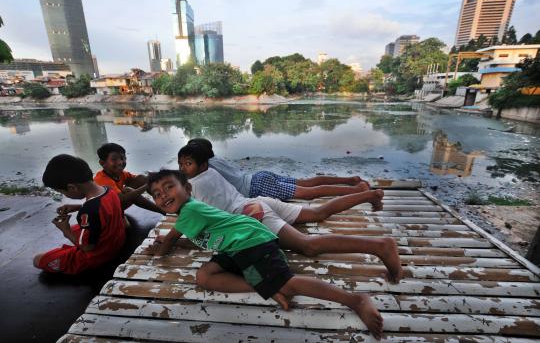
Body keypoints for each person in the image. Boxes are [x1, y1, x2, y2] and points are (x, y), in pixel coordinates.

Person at [144, 169, 384, 339]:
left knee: (290, 284)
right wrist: (172, 243)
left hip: (251, 242)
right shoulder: (188, 215)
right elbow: (195, 240)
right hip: (235, 247)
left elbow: (169, 243)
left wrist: (159, 249)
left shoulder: (188, 212)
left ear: (186, 188)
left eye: (168, 187)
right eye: (156, 194)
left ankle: (355, 300)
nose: (163, 195)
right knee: (205, 275)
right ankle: (267, 286)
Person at [177, 143, 402, 283]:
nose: (182, 169)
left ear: (202, 163)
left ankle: (380, 246)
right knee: (318, 213)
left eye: (186, 164)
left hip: (253, 216)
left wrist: (170, 241)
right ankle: (368, 195)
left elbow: (184, 222)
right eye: (180, 165)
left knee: (308, 245)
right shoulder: (210, 173)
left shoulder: (194, 187)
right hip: (256, 202)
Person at [188, 138, 371, 200]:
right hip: (258, 177)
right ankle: (350, 180)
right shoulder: (216, 159)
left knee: (309, 193)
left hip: (256, 188)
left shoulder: (206, 170)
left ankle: (356, 190)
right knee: (308, 183)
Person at [33, 154, 126, 274]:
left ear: (72, 188)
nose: (64, 195)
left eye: (62, 192)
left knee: (38, 259)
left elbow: (88, 247)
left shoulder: (88, 212)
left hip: (99, 256)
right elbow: (102, 209)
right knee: (77, 229)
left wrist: (65, 231)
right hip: (116, 242)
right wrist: (78, 207)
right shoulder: (109, 190)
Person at [94, 143, 164, 215]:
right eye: (114, 159)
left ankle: (165, 202)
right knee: (128, 191)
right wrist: (147, 185)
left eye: (122, 158)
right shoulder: (102, 179)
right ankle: (163, 211)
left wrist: (153, 177)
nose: (120, 162)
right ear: (102, 163)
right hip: (106, 212)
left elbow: (141, 180)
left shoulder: (121, 173)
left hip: (117, 206)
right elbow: (122, 198)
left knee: (142, 178)